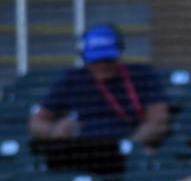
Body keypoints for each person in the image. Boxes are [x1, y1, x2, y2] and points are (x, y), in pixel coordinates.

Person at [29, 24, 169, 157]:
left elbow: (158, 121)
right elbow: (37, 122)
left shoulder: (142, 75)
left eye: (107, 59)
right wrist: (55, 131)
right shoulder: (71, 80)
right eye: (96, 61)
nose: (102, 66)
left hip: (127, 151)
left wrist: (132, 145)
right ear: (85, 59)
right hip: (81, 152)